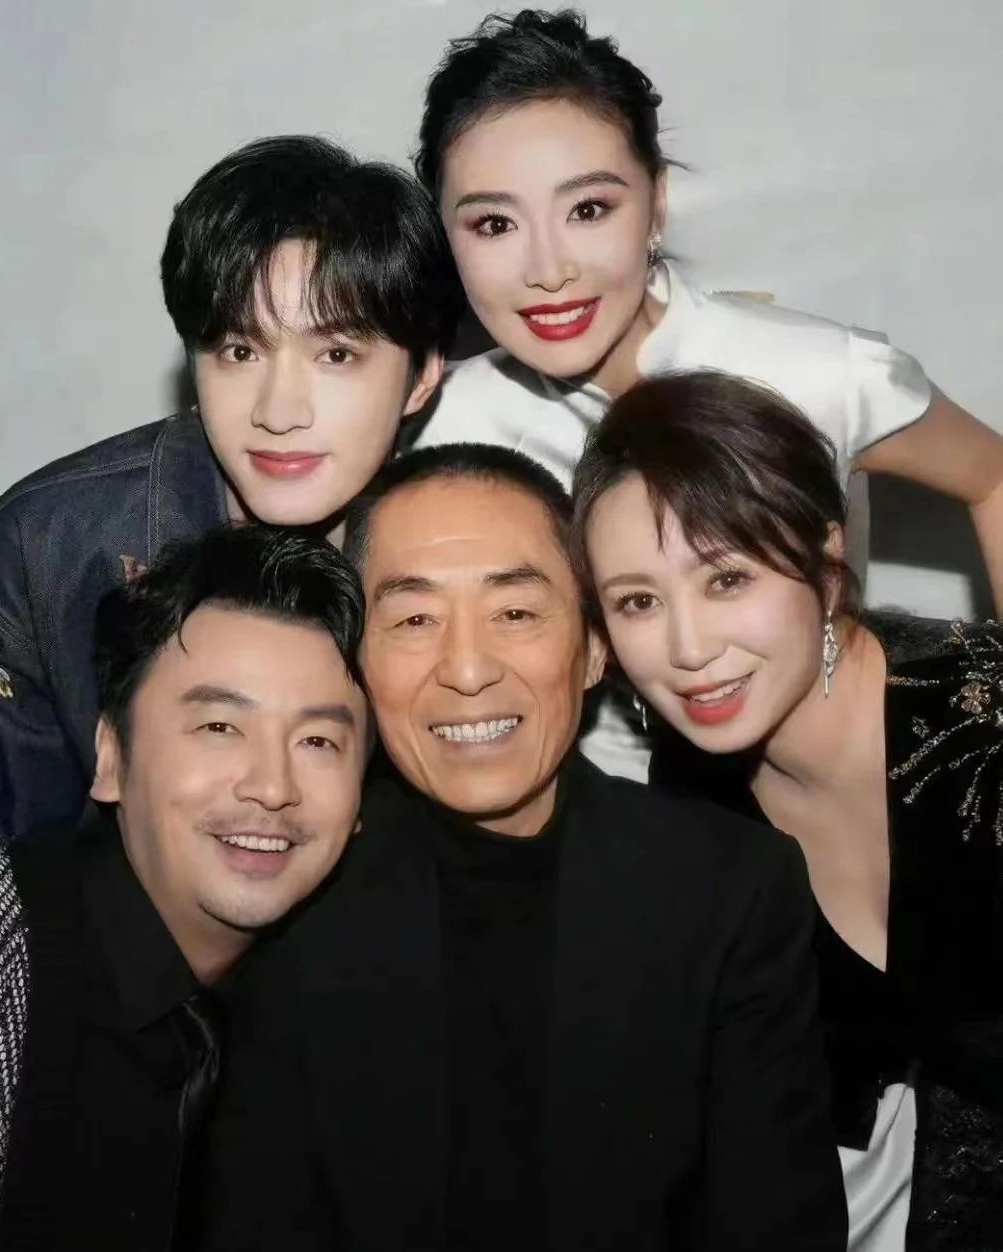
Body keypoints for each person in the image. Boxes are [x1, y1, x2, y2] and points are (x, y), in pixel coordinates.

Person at [199, 444, 845, 1252]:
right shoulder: (289, 884)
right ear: (356, 662)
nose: (467, 669)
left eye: (514, 612)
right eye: (413, 619)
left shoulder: (725, 888)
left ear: (591, 649)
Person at [410, 7, 1003, 781]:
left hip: (831, 781)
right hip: (596, 814)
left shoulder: (813, 371)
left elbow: (991, 475)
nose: (548, 269)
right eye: (493, 224)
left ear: (655, 204)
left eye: (588, 209)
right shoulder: (440, 427)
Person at [573, 370, 1003, 1252]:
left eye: (726, 578)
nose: (687, 647)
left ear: (823, 552)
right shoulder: (698, 798)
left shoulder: (980, 733)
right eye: (637, 601)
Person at [0, 523, 370, 1252]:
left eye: (319, 741)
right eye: (220, 726)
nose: (272, 785)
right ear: (110, 756)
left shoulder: (294, 1040)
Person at [0, 133, 460, 839]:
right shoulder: (50, 544)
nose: (278, 411)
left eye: (335, 354)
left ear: (421, 375)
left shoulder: (467, 553)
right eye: (239, 350)